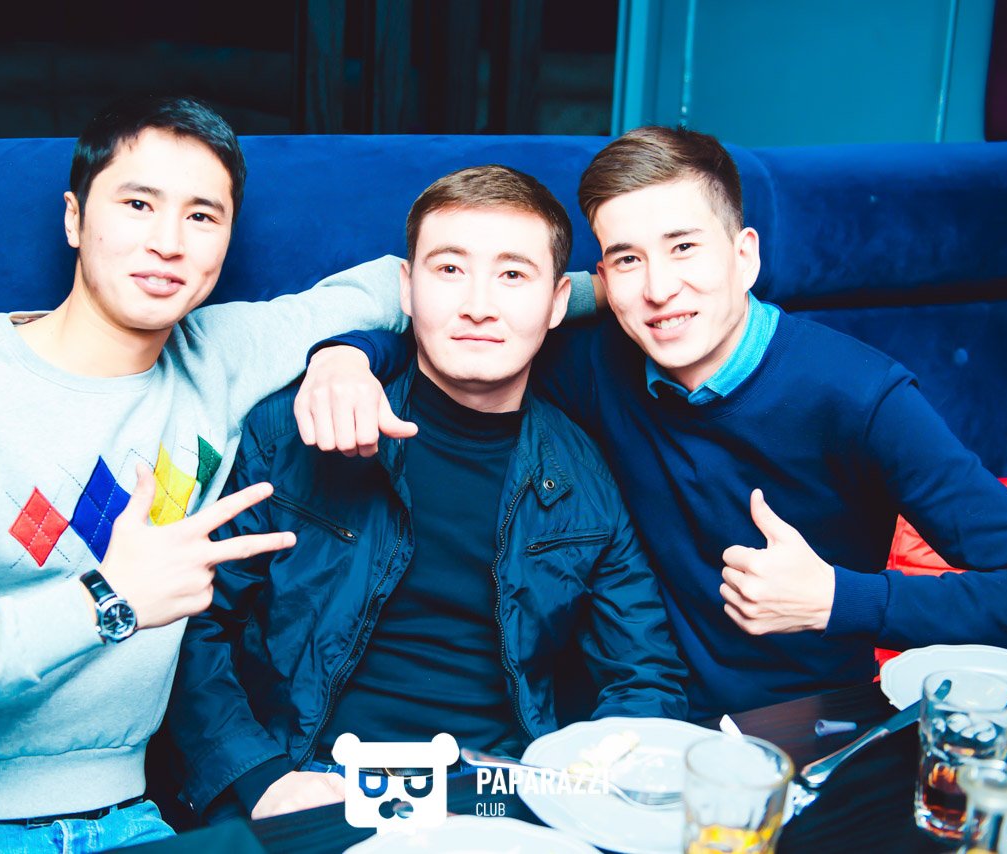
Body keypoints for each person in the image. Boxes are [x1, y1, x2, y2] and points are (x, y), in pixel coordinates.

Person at [295, 127, 1007, 721]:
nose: (659, 288)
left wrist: (838, 599)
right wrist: (346, 356)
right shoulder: (591, 362)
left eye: (684, 248)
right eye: (628, 259)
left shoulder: (860, 397)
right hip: (631, 720)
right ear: (601, 278)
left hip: (807, 725)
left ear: (744, 257)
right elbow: (468, 330)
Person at [0, 96, 407, 851]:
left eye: (202, 216)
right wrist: (105, 600)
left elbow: (402, 285)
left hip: (127, 815)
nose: (168, 242)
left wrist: (345, 355)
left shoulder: (218, 356)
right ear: (75, 219)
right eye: (137, 204)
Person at [166, 165, 689, 823]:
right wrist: (262, 778)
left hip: (500, 796)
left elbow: (645, 673)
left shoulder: (583, 477)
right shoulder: (291, 431)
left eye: (513, 275)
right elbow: (191, 624)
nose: (478, 305)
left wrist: (589, 790)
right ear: (406, 288)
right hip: (309, 783)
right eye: (449, 270)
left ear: (558, 302)